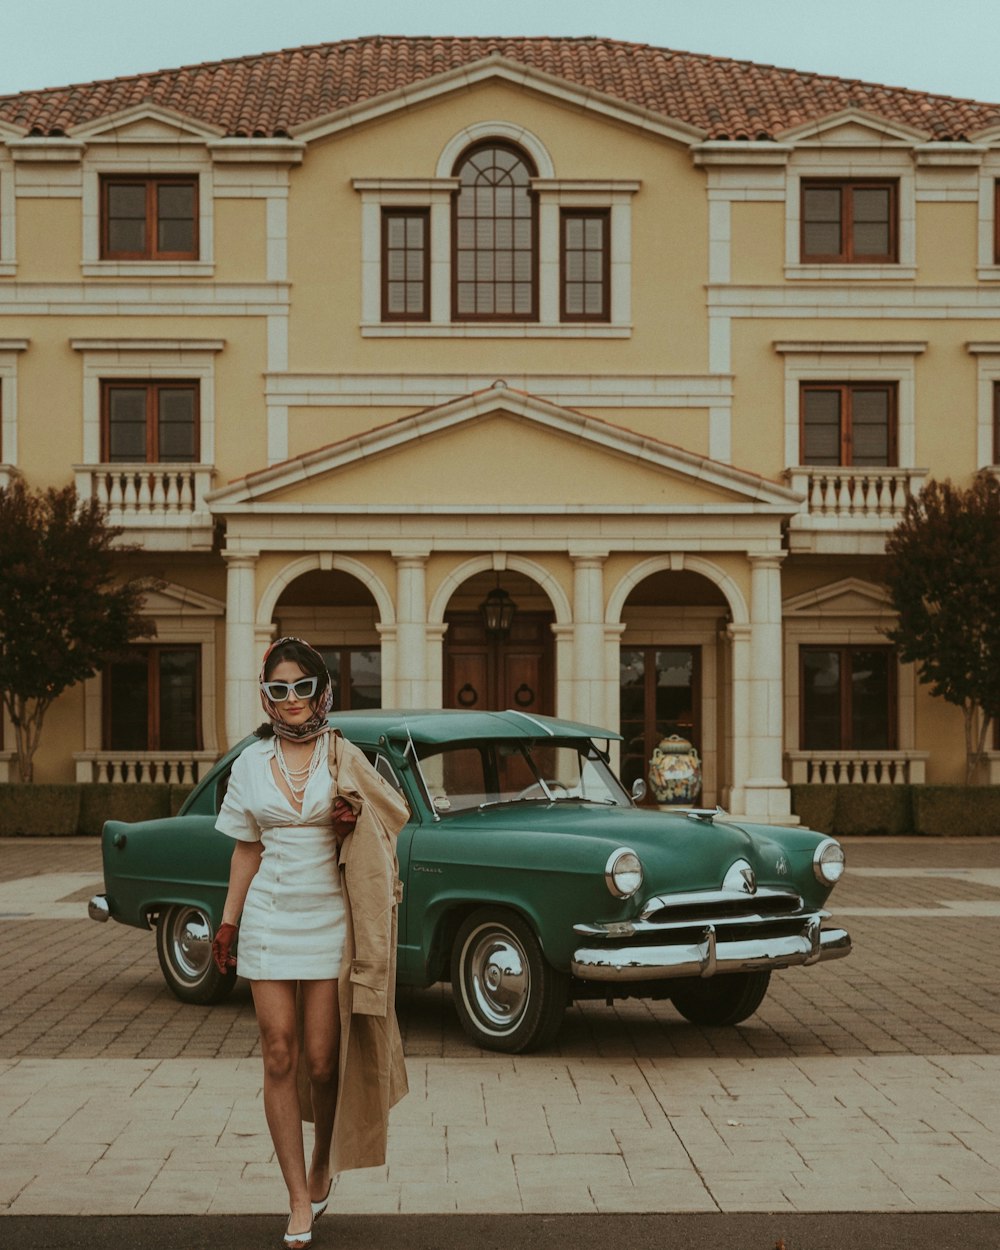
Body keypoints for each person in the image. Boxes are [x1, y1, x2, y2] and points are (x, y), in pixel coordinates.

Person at [210, 636, 409, 1248]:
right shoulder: (248, 764)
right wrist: (228, 922)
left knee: (324, 1062)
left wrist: (355, 823)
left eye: (301, 687)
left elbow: (390, 820)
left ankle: (324, 1155)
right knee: (278, 1054)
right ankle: (297, 1197)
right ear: (266, 697)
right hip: (270, 918)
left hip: (330, 922)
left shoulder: (345, 758)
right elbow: (247, 849)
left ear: (321, 691)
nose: (291, 699)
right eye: (278, 689)